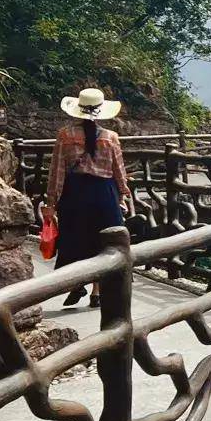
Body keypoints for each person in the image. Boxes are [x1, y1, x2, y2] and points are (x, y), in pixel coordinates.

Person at [43, 87, 135, 307]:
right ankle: (97, 292)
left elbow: (57, 172)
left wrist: (51, 203)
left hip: (74, 194)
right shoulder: (111, 137)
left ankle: (78, 284)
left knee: (75, 240)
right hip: (105, 194)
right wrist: (123, 194)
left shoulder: (65, 135)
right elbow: (119, 171)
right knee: (103, 243)